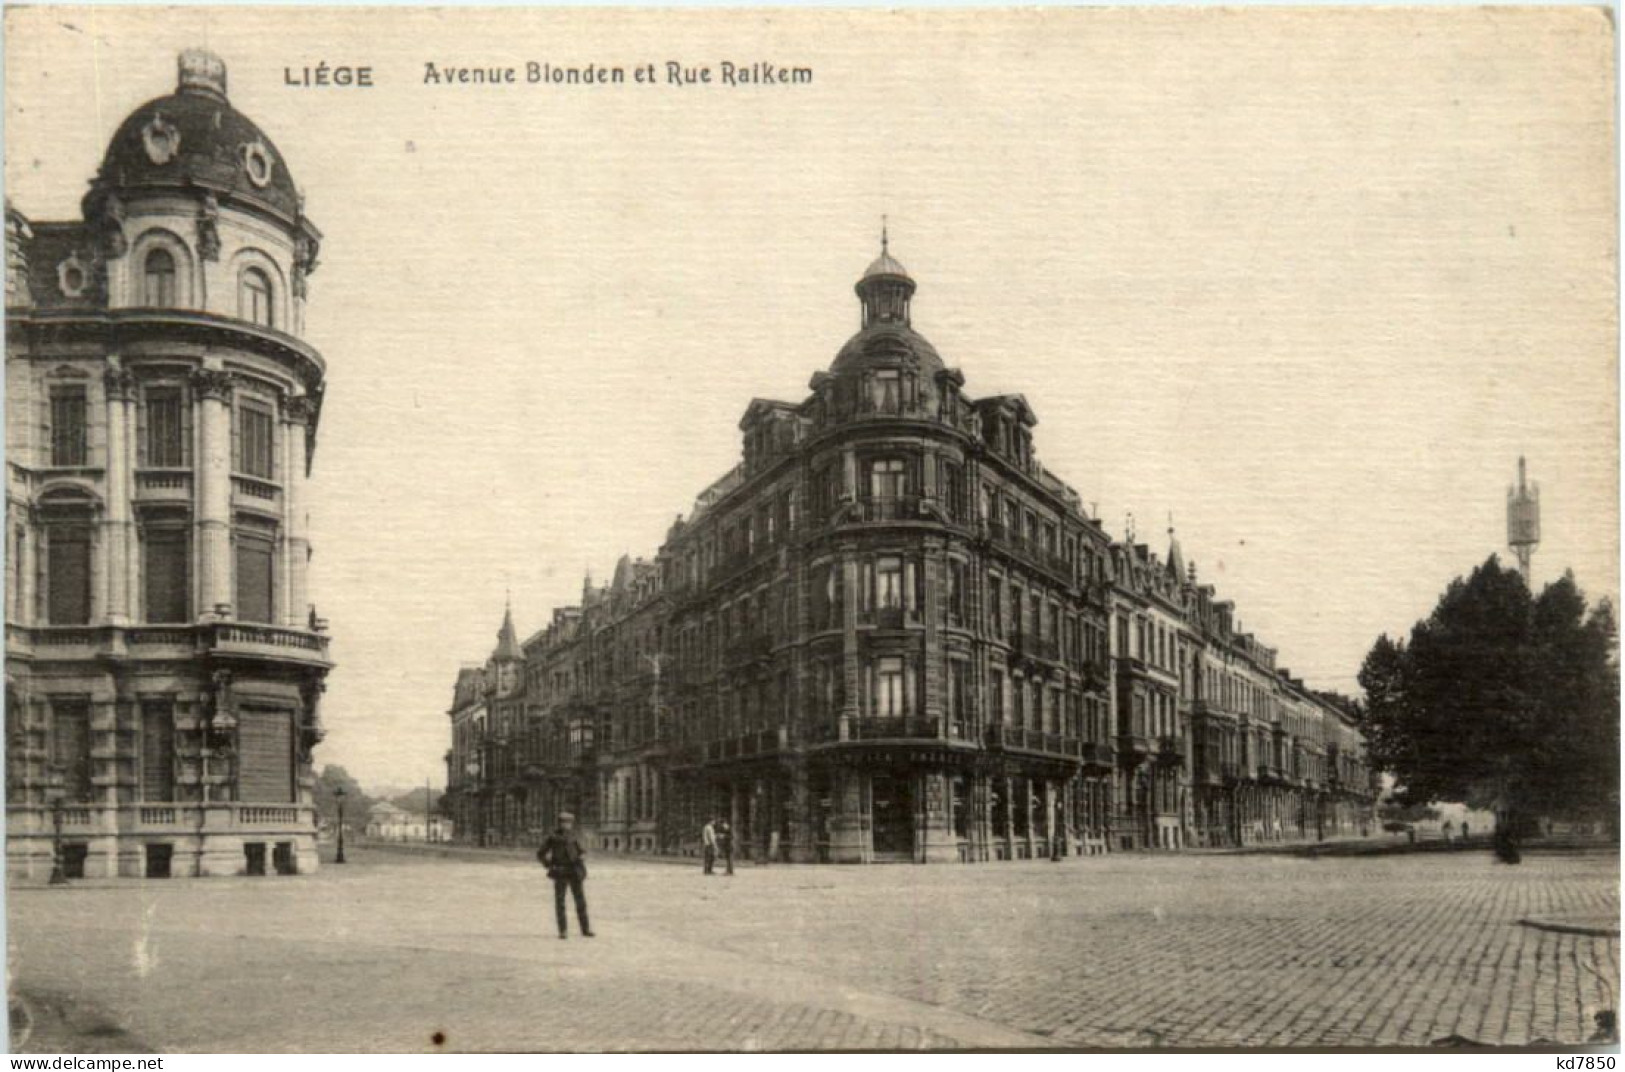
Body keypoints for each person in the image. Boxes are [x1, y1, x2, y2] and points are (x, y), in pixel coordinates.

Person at [538, 812, 593, 939]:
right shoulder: (553, 837)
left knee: (581, 901)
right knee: (560, 902)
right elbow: (541, 853)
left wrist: (582, 855)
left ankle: (585, 929)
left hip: (575, 871)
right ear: (559, 823)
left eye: (569, 822)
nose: (566, 825)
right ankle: (563, 931)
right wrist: (548, 865)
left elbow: (582, 850)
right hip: (560, 871)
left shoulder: (574, 836)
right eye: (564, 822)